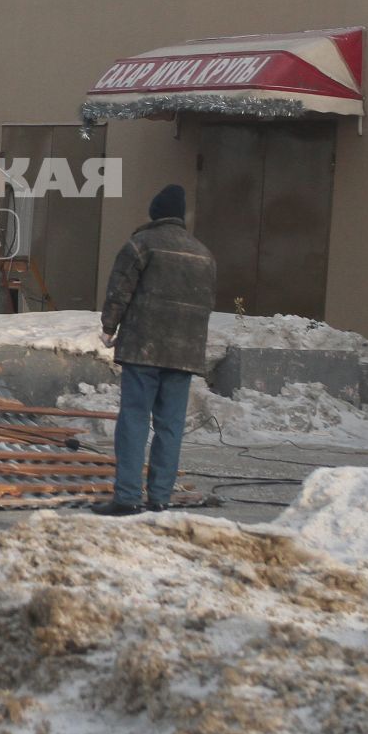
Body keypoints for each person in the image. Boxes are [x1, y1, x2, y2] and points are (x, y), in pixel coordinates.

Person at [96, 184, 217, 515]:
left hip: (144, 349)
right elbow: (206, 304)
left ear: (155, 212)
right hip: (183, 355)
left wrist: (109, 327)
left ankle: (127, 497)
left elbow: (119, 288)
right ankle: (160, 498)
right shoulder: (203, 253)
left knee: (134, 419)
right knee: (170, 425)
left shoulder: (141, 244)